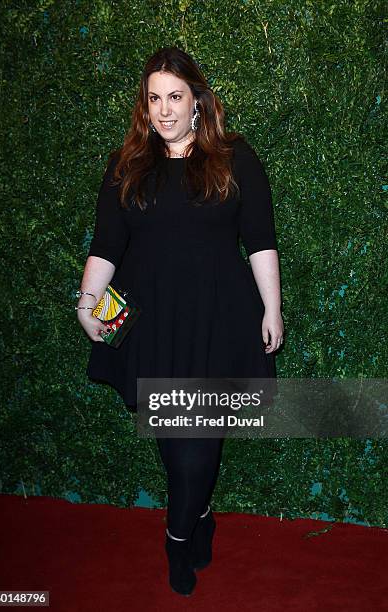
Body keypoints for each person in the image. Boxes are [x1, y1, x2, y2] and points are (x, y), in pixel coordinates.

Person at [76, 46, 284, 597]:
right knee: (175, 446)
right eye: (154, 98)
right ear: (144, 107)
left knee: (198, 447)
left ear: (197, 101)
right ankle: (199, 514)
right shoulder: (127, 165)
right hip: (149, 324)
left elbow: (260, 241)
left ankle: (177, 535)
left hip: (220, 321)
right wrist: (86, 304)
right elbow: (106, 245)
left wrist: (273, 309)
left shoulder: (235, 158)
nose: (165, 109)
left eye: (175, 96)